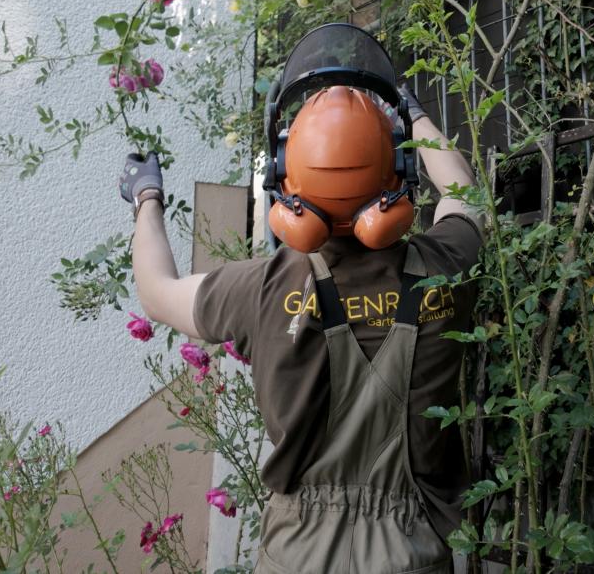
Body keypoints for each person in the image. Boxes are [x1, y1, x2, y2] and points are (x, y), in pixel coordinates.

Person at [118, 68, 482, 573]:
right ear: (398, 170)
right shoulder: (446, 267)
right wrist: (413, 114)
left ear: (287, 176)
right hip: (411, 551)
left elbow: (156, 293)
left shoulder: (261, 290)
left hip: (296, 555)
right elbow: (464, 195)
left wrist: (146, 197)